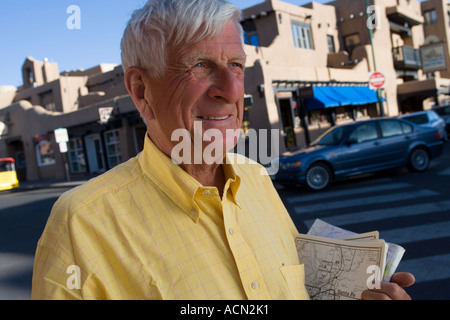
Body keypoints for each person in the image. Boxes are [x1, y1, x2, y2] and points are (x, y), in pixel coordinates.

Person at [31, 0, 414, 300]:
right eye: (199, 65)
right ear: (142, 91)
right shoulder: (80, 224)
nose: (232, 92)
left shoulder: (256, 176)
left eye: (236, 65)